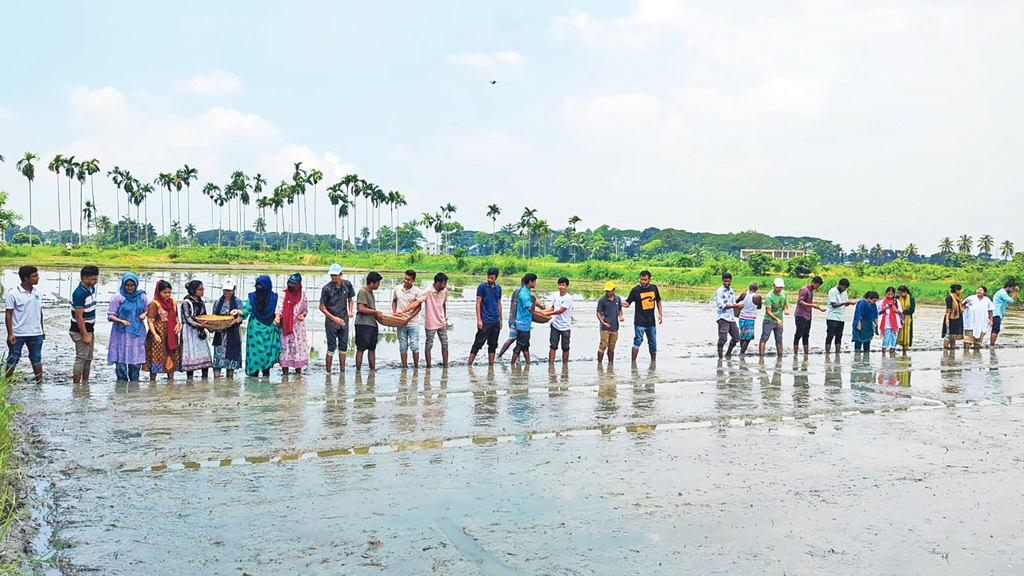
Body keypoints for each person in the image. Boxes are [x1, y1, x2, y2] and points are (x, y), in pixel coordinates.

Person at [231, 275, 281, 377]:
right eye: (257, 285)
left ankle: (264, 375)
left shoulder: (275, 298)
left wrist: (277, 317)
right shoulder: (254, 297)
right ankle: (254, 379)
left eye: (261, 286)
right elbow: (246, 310)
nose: (259, 288)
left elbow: (278, 311)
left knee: (263, 356)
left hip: (266, 331)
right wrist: (238, 311)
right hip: (259, 331)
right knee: (256, 356)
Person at [4, 265, 45, 381]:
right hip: (18, 333)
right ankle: (7, 382)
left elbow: (39, 312)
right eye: (34, 276)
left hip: (35, 333)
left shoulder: (38, 293)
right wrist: (10, 333)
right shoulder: (13, 294)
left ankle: (39, 383)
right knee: (13, 358)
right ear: (26, 278)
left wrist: (42, 330)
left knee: (36, 359)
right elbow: (8, 314)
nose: (38, 278)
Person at [107, 272, 148, 381]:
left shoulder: (142, 296)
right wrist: (120, 320)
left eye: (132, 285)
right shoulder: (117, 297)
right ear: (123, 285)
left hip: (137, 332)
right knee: (121, 356)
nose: (129, 288)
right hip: (121, 332)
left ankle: (134, 382)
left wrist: (144, 314)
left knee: (135, 356)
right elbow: (111, 315)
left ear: (136, 285)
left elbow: (147, 309)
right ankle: (121, 383)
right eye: (127, 285)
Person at [320, 263, 356, 373]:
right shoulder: (326, 288)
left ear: (341, 274)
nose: (334, 277)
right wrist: (333, 318)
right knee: (331, 347)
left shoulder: (347, 285)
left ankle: (342, 370)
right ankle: (328, 372)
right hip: (331, 322)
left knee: (343, 345)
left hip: (344, 320)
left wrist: (350, 311)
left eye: (336, 275)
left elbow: (350, 299)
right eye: (332, 275)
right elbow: (322, 307)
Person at [410, 273, 449, 368]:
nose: (445, 286)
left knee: (445, 343)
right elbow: (417, 302)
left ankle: (445, 365)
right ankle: (428, 366)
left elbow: (443, 304)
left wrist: (444, 317)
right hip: (431, 323)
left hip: (441, 322)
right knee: (429, 345)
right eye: (444, 284)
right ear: (438, 283)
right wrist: (404, 312)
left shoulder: (444, 291)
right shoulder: (427, 291)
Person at [622, 271, 662, 362]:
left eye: (645, 280)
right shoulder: (635, 290)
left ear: (649, 280)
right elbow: (628, 303)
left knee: (653, 343)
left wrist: (660, 314)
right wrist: (620, 303)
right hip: (639, 322)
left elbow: (658, 301)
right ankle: (633, 363)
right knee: (637, 341)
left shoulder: (654, 288)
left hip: (651, 322)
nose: (643, 281)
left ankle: (653, 363)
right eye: (642, 279)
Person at [146, 280, 182, 380]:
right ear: (159, 292)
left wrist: (178, 325)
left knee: (171, 355)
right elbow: (150, 321)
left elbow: (176, 317)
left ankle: (170, 381)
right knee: (156, 357)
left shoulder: (173, 303)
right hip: (159, 333)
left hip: (171, 334)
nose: (167, 295)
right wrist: (154, 334)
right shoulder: (155, 304)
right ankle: (152, 382)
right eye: (164, 292)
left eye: (169, 292)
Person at [70, 265, 99, 384]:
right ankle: (77, 385)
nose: (95, 281)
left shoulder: (90, 289)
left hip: (89, 329)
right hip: (80, 330)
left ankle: (85, 383)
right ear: (85, 279)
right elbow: (78, 316)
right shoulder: (80, 293)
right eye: (93, 279)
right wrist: (85, 335)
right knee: (81, 358)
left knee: (88, 358)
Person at [179, 280, 214, 379]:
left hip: (199, 330)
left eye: (203, 289)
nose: (202, 291)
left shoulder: (201, 302)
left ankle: (205, 378)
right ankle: (189, 380)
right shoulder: (186, 303)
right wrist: (199, 325)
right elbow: (188, 318)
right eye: (200, 289)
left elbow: (204, 316)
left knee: (204, 353)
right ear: (193, 290)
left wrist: (209, 326)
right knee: (190, 355)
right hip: (189, 332)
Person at [276, 273, 309, 374]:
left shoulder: (303, 296)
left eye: (294, 284)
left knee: (297, 352)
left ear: (298, 285)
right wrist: (277, 316)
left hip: (298, 329)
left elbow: (305, 310)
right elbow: (279, 308)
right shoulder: (283, 294)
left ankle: (298, 375)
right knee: (285, 352)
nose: (291, 286)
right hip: (285, 328)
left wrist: (303, 315)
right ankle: (285, 376)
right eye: (290, 283)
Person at [468, 268, 502, 366]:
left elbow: (499, 303)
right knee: (478, 342)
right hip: (485, 320)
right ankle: (469, 364)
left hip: (495, 320)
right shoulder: (482, 287)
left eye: (492, 278)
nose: (489, 280)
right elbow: (478, 303)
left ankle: (491, 366)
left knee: (493, 344)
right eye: (488, 277)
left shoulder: (498, 288)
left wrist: (500, 320)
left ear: (496, 277)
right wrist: (479, 320)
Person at [392, 270, 422, 369]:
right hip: (400, 323)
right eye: (405, 278)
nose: (405, 281)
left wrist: (409, 317)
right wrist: (394, 313)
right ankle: (404, 367)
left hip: (413, 323)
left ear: (413, 280)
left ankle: (416, 367)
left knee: (414, 345)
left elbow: (418, 307)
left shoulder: (417, 291)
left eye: (408, 280)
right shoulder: (397, 289)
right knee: (402, 345)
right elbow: (394, 301)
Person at [211, 279, 242, 378]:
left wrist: (235, 321)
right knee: (217, 358)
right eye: (225, 290)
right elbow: (214, 317)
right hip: (220, 334)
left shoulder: (238, 302)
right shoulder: (217, 303)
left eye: (229, 290)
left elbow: (243, 315)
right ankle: (216, 380)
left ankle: (230, 379)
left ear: (233, 290)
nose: (227, 293)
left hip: (233, 333)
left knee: (231, 360)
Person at [510, 273, 542, 365]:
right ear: (530, 282)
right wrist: (534, 300)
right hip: (522, 324)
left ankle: (528, 364)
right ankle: (512, 364)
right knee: (520, 345)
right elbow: (531, 310)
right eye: (535, 281)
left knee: (525, 346)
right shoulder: (524, 294)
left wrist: (542, 308)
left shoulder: (526, 290)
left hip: (525, 323)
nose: (535, 283)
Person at [355, 272, 384, 370]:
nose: (378, 285)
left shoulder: (370, 292)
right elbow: (361, 308)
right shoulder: (363, 292)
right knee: (361, 349)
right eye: (377, 283)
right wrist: (375, 312)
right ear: (372, 283)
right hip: (363, 324)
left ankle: (372, 371)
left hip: (371, 324)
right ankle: (358, 371)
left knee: (372, 349)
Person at [793, 276, 826, 355]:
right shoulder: (804, 290)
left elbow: (810, 305)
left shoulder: (811, 291)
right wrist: (812, 305)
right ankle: (795, 354)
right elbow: (800, 302)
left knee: (806, 335)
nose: (817, 288)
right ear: (813, 282)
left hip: (808, 316)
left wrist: (818, 308)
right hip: (801, 315)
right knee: (798, 334)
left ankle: (806, 354)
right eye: (817, 286)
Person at [714, 273, 744, 359]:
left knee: (736, 337)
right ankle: (720, 358)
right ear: (722, 280)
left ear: (731, 281)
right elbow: (721, 305)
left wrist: (738, 307)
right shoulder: (719, 291)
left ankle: (728, 354)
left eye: (728, 281)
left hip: (731, 318)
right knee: (723, 339)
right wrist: (735, 306)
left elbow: (733, 303)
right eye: (725, 281)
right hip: (723, 318)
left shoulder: (731, 291)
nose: (727, 283)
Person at [759, 278, 789, 358]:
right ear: (773, 286)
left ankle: (780, 357)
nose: (779, 289)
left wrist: (786, 309)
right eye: (777, 287)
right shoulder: (769, 296)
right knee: (764, 338)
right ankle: (761, 357)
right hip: (769, 320)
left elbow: (785, 304)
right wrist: (777, 319)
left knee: (779, 339)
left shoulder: (784, 294)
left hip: (779, 321)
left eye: (780, 287)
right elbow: (768, 311)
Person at [546, 277, 573, 365]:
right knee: (553, 346)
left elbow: (561, 310)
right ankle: (551, 365)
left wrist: (548, 314)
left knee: (565, 348)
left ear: (567, 286)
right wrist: (543, 312)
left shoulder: (568, 298)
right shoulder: (555, 295)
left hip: (565, 326)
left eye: (563, 285)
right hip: (555, 325)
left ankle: (565, 366)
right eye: (560, 285)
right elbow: (553, 307)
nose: (561, 287)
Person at [596, 281, 625, 364]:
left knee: (612, 347)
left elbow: (619, 310)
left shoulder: (618, 299)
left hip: (615, 327)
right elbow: (598, 313)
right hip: (605, 327)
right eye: (607, 291)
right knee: (603, 345)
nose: (608, 292)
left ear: (614, 290)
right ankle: (599, 364)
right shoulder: (602, 300)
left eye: (610, 291)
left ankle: (610, 364)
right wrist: (603, 322)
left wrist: (620, 316)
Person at [825, 279, 855, 355]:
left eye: (845, 288)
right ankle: (827, 353)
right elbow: (834, 305)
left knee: (839, 336)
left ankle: (837, 353)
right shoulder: (832, 291)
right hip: (832, 316)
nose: (844, 289)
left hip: (841, 317)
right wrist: (846, 302)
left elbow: (845, 303)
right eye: (843, 287)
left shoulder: (844, 292)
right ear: (840, 285)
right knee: (830, 335)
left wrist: (849, 303)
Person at [498, 279, 524, 358]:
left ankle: (516, 357)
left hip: (517, 319)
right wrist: (514, 319)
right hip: (515, 319)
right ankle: (499, 355)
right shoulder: (519, 291)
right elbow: (514, 304)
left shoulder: (522, 291)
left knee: (520, 339)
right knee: (512, 338)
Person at [962, 286, 994, 350]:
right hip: (971, 321)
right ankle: (966, 353)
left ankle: (976, 354)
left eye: (981, 290)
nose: (979, 291)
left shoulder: (987, 300)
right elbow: (962, 306)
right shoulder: (971, 298)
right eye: (978, 289)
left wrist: (991, 320)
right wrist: (965, 303)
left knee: (979, 339)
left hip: (982, 321)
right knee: (968, 338)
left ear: (984, 293)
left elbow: (990, 310)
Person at [735, 281, 761, 356]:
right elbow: (759, 307)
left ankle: (741, 350)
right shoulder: (757, 297)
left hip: (741, 317)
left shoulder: (743, 294)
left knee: (742, 335)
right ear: (757, 289)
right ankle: (742, 353)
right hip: (750, 319)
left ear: (749, 288)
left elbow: (736, 302)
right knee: (748, 338)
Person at [991, 280, 1018, 346]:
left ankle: (991, 344)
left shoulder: (1001, 292)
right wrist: (1016, 292)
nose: (1011, 291)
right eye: (1012, 289)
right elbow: (1011, 300)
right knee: (996, 329)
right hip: (996, 313)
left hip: (996, 313)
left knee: (995, 329)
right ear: (1009, 287)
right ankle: (992, 345)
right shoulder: (1002, 293)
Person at [878, 287, 904, 356]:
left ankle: (892, 352)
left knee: (894, 337)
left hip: (895, 322)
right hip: (886, 322)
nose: (890, 296)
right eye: (888, 294)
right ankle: (883, 352)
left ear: (894, 294)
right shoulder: (882, 301)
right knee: (886, 338)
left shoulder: (896, 301)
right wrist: (885, 309)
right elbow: (879, 312)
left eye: (891, 294)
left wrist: (895, 310)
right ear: (885, 294)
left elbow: (900, 312)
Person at [943, 284, 964, 350]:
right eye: (960, 290)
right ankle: (945, 350)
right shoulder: (949, 298)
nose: (961, 291)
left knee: (954, 335)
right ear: (956, 290)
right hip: (951, 318)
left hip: (957, 318)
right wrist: (947, 319)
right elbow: (948, 310)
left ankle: (952, 350)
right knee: (948, 335)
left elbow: (961, 308)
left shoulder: (958, 299)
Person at [896, 285, 916, 353]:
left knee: (907, 334)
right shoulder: (897, 298)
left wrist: (903, 312)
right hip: (898, 318)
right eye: (899, 293)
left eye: (901, 293)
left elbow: (912, 310)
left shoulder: (911, 298)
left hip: (908, 319)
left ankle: (904, 351)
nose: (900, 294)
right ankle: (893, 350)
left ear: (906, 292)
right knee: (897, 332)